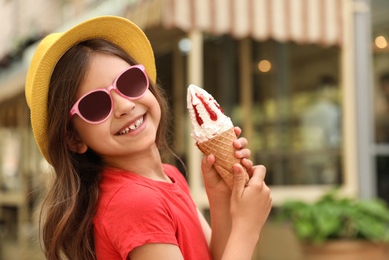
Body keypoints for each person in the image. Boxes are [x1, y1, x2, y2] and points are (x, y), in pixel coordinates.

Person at [25, 16, 272, 260]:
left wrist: (219, 197)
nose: (123, 106)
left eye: (129, 82)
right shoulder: (136, 204)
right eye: (96, 104)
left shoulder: (170, 175)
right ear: (73, 139)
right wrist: (247, 228)